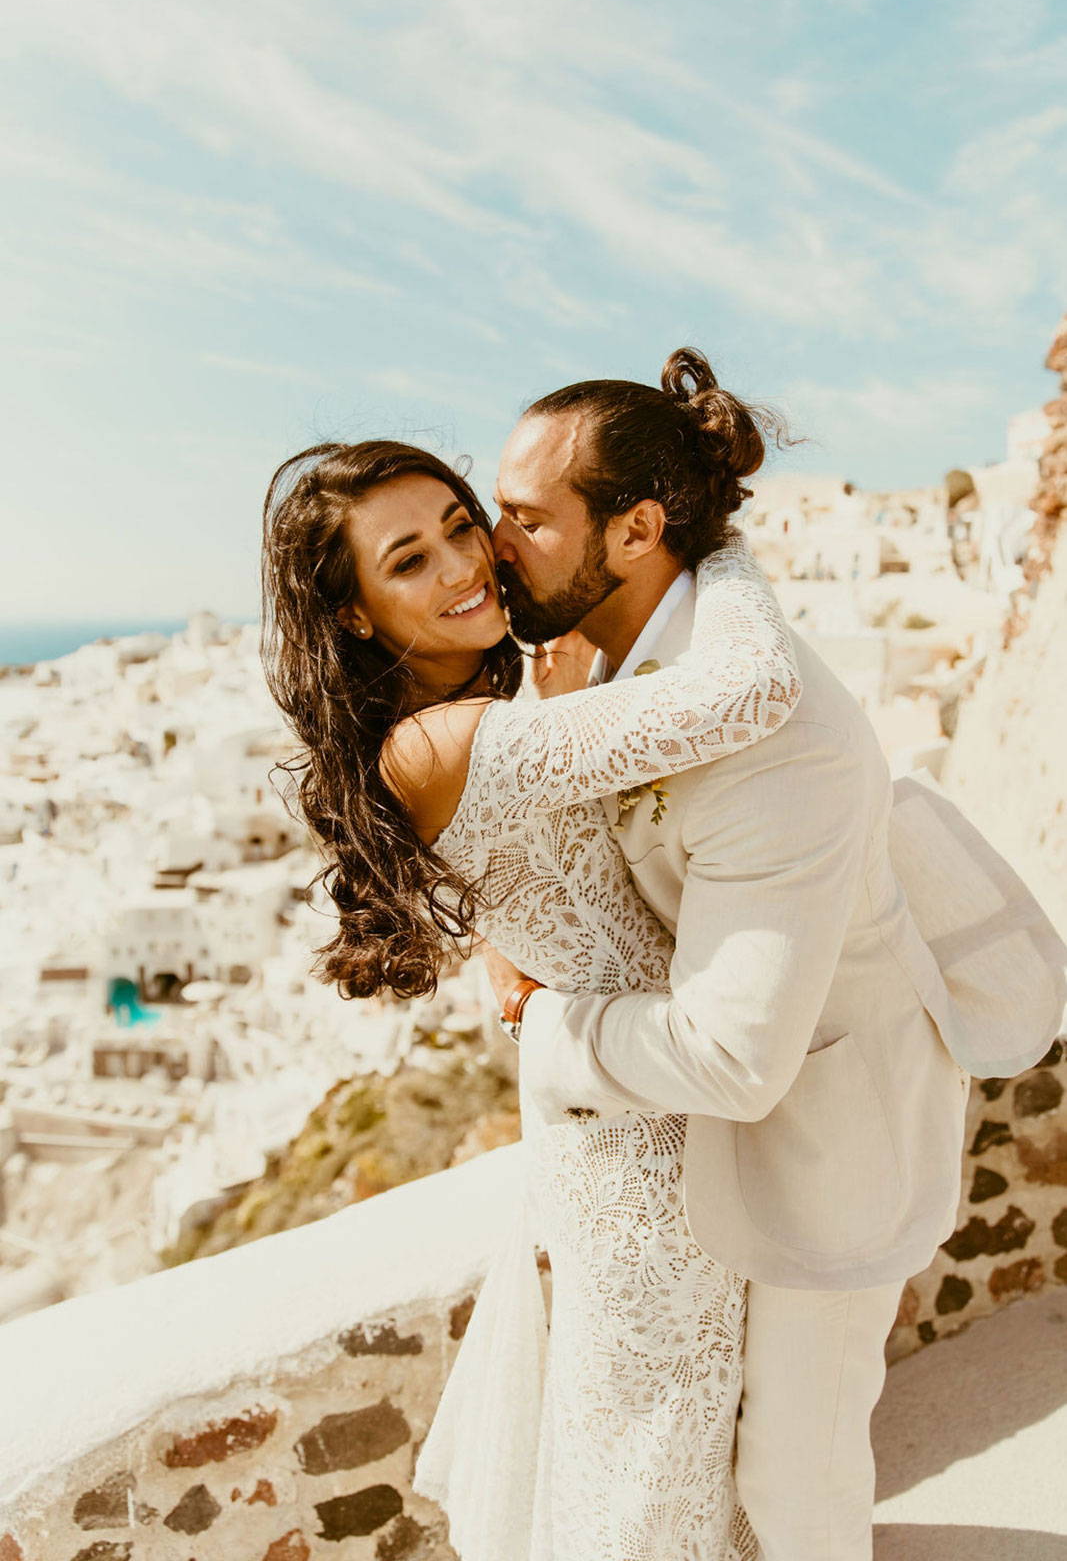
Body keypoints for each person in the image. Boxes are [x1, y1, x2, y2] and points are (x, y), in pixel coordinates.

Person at [259, 374, 803, 1561]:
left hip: (635, 1116)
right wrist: (710, 538)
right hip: (644, 1163)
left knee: (669, 1465)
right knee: (656, 1484)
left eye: (462, 524)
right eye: (408, 560)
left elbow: (542, 878)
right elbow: (753, 690)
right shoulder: (451, 738)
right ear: (353, 612)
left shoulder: (478, 708)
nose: (464, 565)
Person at [477, 349, 972, 1561]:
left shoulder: (766, 732)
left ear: (638, 528)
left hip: (837, 1119)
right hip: (744, 1121)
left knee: (794, 1457)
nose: (495, 544)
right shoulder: (637, 655)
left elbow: (732, 1058)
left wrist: (539, 1022)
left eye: (527, 517)